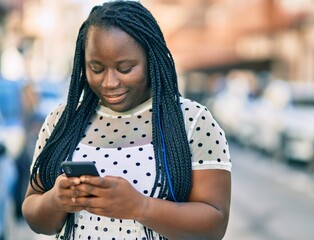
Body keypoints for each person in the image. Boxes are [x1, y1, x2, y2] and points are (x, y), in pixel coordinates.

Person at [22, 1, 232, 239]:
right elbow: (35, 216)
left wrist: (140, 207)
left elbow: (215, 225)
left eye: (125, 68)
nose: (109, 82)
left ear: (151, 61)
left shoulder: (193, 121)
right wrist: (56, 200)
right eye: (97, 68)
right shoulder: (62, 120)